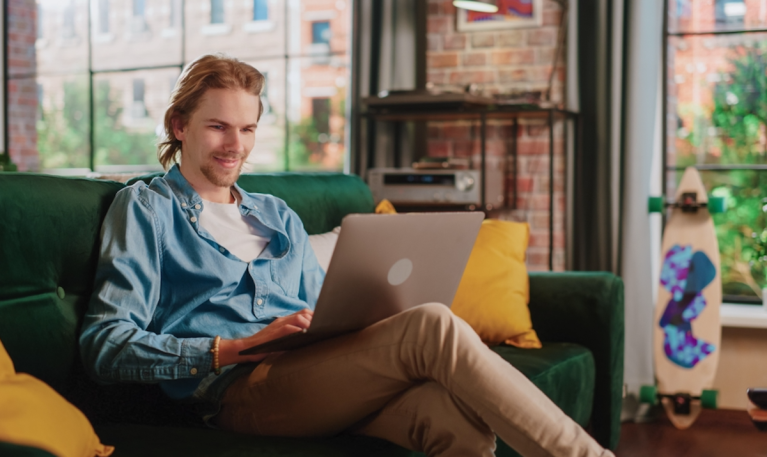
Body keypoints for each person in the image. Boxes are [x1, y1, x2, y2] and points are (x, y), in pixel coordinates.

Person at [80, 54, 614, 457]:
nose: (235, 145)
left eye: (246, 129)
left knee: (448, 416)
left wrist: (350, 321)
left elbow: (322, 309)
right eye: (218, 126)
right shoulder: (147, 208)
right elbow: (104, 346)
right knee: (432, 326)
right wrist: (230, 348)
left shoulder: (276, 214)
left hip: (315, 375)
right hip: (238, 392)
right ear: (180, 126)